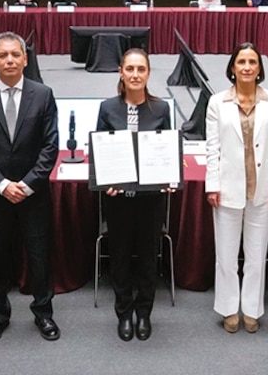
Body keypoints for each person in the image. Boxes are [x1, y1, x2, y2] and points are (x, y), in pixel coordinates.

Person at [0, 32, 60, 344]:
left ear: (25, 59)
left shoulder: (43, 94)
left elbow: (50, 147)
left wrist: (28, 185)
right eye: (3, 55)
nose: (9, 60)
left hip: (34, 196)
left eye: (15, 55)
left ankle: (44, 313)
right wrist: (3, 185)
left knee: (39, 257)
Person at [206, 43, 268, 334]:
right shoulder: (217, 102)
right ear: (232, 68)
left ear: (259, 69)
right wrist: (212, 185)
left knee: (256, 255)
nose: (247, 67)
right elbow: (212, 148)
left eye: (252, 62)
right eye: (241, 61)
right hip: (227, 188)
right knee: (226, 256)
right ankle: (229, 308)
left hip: (262, 189)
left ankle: (252, 309)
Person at [95, 49, 171, 341]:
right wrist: (106, 181)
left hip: (151, 201)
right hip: (118, 200)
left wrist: (168, 177)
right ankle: (124, 313)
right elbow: (100, 150)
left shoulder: (161, 109)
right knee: (121, 258)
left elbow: (167, 150)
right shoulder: (107, 108)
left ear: (148, 73)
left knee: (149, 259)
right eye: (130, 69)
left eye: (141, 69)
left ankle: (144, 313)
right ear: (121, 72)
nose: (135, 74)